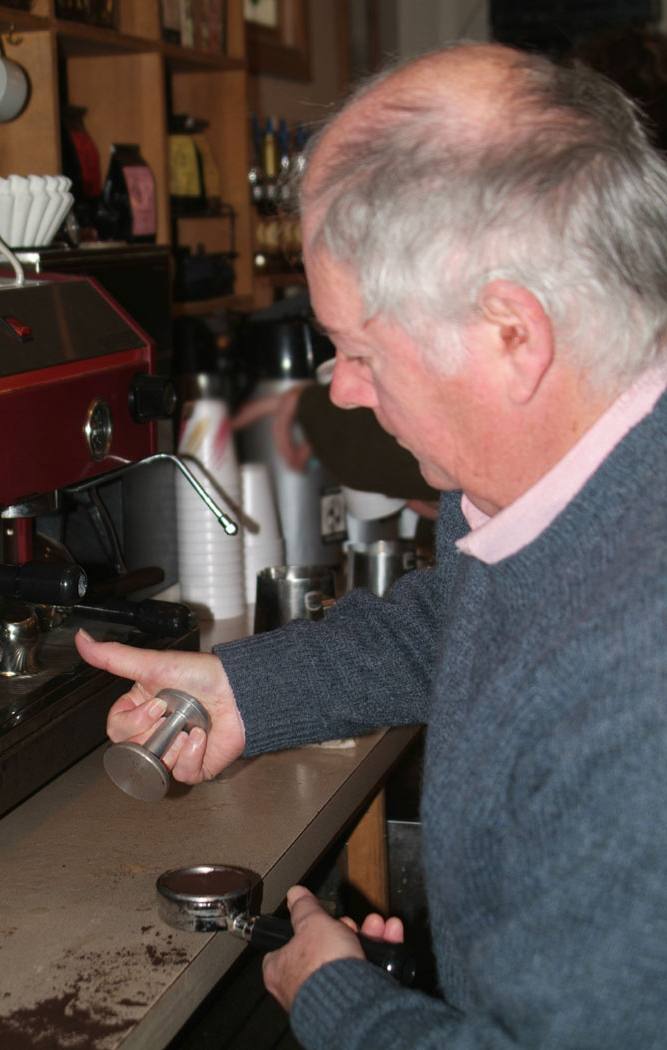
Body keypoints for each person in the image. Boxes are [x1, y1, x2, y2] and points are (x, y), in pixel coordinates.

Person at [75, 41, 667, 1050]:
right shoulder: (585, 487)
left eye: (356, 348)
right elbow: (464, 622)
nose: (341, 387)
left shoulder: (637, 684)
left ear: (511, 334)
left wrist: (340, 1001)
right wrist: (243, 692)